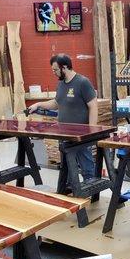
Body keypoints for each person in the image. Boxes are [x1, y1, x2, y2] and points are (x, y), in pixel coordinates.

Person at [28, 53, 98, 182]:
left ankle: (92, 191)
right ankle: (70, 190)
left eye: (55, 69)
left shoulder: (82, 82)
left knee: (86, 166)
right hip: (64, 133)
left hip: (80, 134)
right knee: (67, 166)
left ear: (64, 67)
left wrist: (91, 130)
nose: (54, 72)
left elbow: (93, 106)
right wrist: (38, 104)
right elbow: (56, 103)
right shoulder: (61, 84)